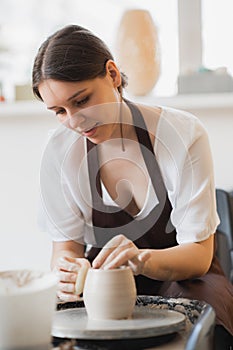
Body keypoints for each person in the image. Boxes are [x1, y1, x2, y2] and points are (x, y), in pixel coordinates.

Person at [32, 24, 233, 347]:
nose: (74, 121)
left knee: (196, 326)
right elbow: (65, 249)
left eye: (82, 101)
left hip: (185, 278)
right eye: (59, 111)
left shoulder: (182, 133)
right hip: (103, 282)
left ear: (112, 74)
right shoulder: (58, 149)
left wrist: (141, 260)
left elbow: (199, 254)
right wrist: (67, 273)